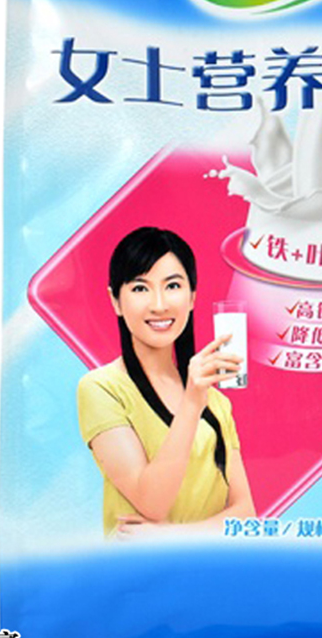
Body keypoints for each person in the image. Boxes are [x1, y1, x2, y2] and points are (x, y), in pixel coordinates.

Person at [77, 226, 256, 539]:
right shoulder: (101, 389)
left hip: (209, 567)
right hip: (136, 568)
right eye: (140, 288)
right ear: (115, 300)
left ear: (192, 297)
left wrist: (170, 537)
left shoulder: (215, 401)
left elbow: (245, 514)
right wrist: (191, 403)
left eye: (173, 285)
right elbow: (152, 503)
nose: (159, 304)